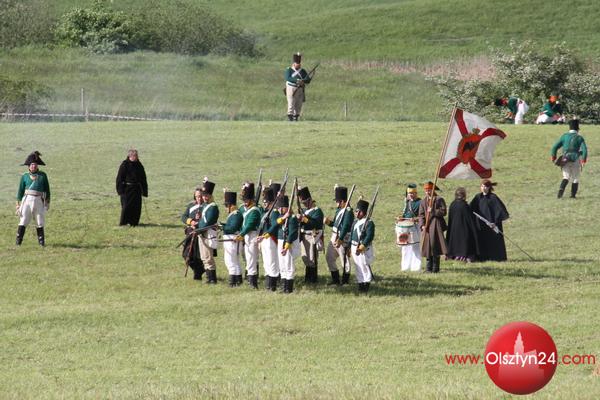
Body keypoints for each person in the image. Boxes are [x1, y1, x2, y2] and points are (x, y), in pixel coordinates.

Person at [16, 151, 51, 246]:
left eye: (35, 164)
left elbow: (47, 189)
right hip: (27, 200)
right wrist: (18, 204)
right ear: (28, 166)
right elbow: (20, 190)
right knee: (23, 220)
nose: (33, 166)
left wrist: (47, 202)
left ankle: (41, 243)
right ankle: (18, 242)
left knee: (40, 221)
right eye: (31, 164)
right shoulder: (24, 176)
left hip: (39, 200)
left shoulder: (43, 175)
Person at [469, 180, 509, 261]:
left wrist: (495, 222)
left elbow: (500, 211)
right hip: (481, 225)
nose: (483, 188)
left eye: (485, 186)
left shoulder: (493, 197)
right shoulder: (478, 197)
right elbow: (471, 209)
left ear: (489, 187)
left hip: (492, 225)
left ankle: (496, 257)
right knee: (482, 240)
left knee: (494, 241)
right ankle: (483, 257)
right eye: (482, 186)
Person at [551, 118, 588, 199]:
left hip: (565, 159)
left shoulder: (564, 136)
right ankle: (573, 196)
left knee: (566, 177)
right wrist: (583, 160)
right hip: (575, 159)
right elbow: (585, 150)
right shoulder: (579, 138)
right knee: (575, 178)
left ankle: (560, 194)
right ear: (577, 129)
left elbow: (554, 147)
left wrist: (553, 157)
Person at [325, 185, 354, 285]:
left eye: (337, 201)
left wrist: (340, 239)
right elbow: (337, 225)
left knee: (344, 260)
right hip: (334, 237)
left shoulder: (348, 212)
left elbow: (345, 226)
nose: (336, 203)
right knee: (329, 257)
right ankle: (335, 279)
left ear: (342, 201)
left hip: (342, 239)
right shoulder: (339, 210)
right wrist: (329, 222)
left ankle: (345, 281)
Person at [235, 182, 261, 289]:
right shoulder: (243, 208)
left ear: (251, 199)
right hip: (245, 235)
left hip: (252, 235)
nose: (245, 202)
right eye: (244, 200)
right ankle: (250, 280)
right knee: (246, 258)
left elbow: (250, 225)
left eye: (246, 200)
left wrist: (241, 234)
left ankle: (253, 284)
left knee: (251, 259)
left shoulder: (255, 211)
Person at [296, 186, 324, 284]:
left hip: (312, 236)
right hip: (303, 235)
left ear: (309, 200)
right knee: (305, 257)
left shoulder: (317, 211)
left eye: (304, 202)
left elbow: (315, 224)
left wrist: (303, 219)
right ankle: (307, 278)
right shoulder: (305, 211)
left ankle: (313, 279)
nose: (303, 204)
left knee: (312, 258)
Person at [418, 181, 447, 273]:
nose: (427, 192)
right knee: (427, 247)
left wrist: (433, 211)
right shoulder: (423, 201)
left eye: (429, 190)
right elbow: (421, 215)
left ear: (433, 190)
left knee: (435, 246)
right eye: (426, 190)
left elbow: (444, 212)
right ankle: (428, 268)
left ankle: (435, 268)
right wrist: (422, 225)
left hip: (436, 226)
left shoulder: (439, 199)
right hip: (427, 227)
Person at [257, 185, 281, 291]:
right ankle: (268, 284)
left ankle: (273, 285)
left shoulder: (274, 212)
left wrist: (267, 234)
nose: (264, 204)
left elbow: (275, 225)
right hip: (264, 239)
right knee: (266, 262)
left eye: (266, 202)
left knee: (272, 261)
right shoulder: (265, 212)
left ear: (271, 202)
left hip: (271, 239)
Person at [116, 149, 148, 226]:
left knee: (136, 207)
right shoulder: (124, 165)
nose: (135, 157)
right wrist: (120, 190)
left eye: (136, 155)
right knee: (126, 206)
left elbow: (143, 178)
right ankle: (124, 223)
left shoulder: (139, 165)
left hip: (137, 189)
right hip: (127, 189)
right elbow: (119, 178)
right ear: (130, 156)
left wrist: (144, 191)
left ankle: (134, 222)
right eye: (134, 156)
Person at [446, 187, 479, 262]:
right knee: (464, 241)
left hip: (454, 228)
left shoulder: (452, 204)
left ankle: (456, 255)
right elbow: (469, 218)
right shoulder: (464, 205)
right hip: (464, 228)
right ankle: (462, 255)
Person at [275, 195, 300, 293]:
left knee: (288, 265)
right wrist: (284, 218)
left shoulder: (292, 218)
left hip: (288, 244)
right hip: (280, 241)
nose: (279, 209)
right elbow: (276, 223)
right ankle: (283, 286)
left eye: (281, 207)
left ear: (286, 207)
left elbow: (292, 234)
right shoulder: (281, 217)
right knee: (282, 265)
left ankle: (288, 288)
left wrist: (286, 247)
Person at [197, 180, 219, 283]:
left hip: (207, 233)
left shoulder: (213, 207)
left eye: (206, 195)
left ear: (210, 195)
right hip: (201, 232)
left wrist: (198, 229)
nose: (204, 197)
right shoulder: (205, 206)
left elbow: (208, 222)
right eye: (203, 195)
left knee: (208, 257)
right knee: (204, 257)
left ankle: (212, 279)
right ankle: (208, 277)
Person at [395, 183, 421, 272]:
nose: (411, 195)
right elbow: (405, 214)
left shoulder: (420, 202)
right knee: (405, 247)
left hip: (415, 227)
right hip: (406, 227)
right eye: (410, 193)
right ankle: (405, 267)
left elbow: (423, 216)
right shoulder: (407, 202)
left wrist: (415, 219)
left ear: (416, 193)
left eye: (413, 193)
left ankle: (416, 267)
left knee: (415, 247)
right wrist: (401, 218)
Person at [350, 199, 375, 293]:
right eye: (356, 211)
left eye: (358, 211)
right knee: (357, 267)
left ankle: (366, 284)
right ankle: (360, 283)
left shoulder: (369, 223)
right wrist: (349, 247)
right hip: (354, 246)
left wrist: (362, 246)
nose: (356, 213)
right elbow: (351, 235)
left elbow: (369, 236)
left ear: (363, 212)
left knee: (364, 266)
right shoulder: (355, 222)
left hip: (362, 248)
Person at [181, 188, 205, 280]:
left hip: (200, 233)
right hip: (190, 233)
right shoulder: (191, 206)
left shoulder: (206, 206)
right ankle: (199, 270)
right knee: (186, 254)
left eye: (200, 196)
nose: (199, 198)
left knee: (198, 256)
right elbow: (184, 217)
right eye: (197, 196)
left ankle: (198, 273)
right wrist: (191, 222)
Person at [221, 190, 244, 287]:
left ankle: (232, 282)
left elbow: (232, 228)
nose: (226, 208)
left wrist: (222, 227)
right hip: (232, 240)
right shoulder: (234, 214)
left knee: (230, 261)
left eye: (227, 205)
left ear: (231, 205)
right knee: (235, 261)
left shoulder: (236, 214)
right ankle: (238, 280)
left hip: (232, 240)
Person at [284, 52, 312, 121]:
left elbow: (307, 80)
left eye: (299, 64)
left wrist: (304, 80)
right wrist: (297, 80)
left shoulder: (302, 71)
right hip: (291, 88)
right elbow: (288, 78)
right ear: (294, 64)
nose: (298, 65)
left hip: (300, 89)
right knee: (291, 102)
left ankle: (296, 116)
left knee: (299, 104)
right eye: (297, 64)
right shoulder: (289, 70)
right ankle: (290, 116)